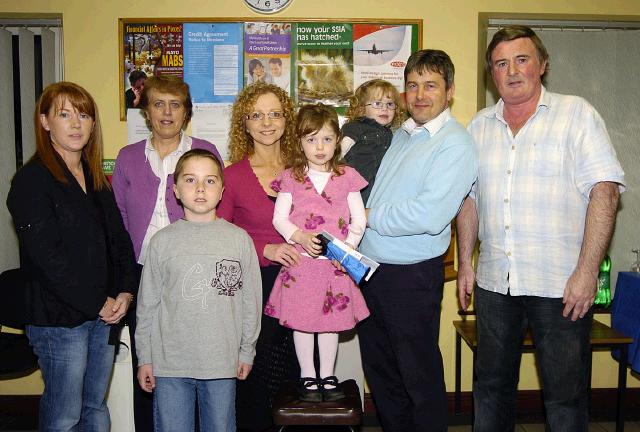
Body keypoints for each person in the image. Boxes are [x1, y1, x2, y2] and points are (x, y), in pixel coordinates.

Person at [456, 25, 625, 431]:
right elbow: (469, 199)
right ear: (491, 74)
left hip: (561, 285)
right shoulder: (478, 127)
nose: (512, 70)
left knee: (565, 396)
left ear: (542, 65)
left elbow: (606, 192)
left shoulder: (577, 114)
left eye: (522, 59)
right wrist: (465, 261)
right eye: (501, 63)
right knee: (491, 388)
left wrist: (587, 273)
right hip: (497, 284)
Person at [357, 50, 477, 432]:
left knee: (417, 376)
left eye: (431, 85)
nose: (420, 94)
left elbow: (428, 215)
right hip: (371, 270)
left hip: (409, 276)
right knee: (382, 373)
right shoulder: (400, 135)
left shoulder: (455, 144)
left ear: (450, 91)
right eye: (412, 86)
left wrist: (364, 217)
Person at [6, 81, 137, 431]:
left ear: (93, 124)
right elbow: (49, 259)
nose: (76, 124)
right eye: (65, 115)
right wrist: (98, 302)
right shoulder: (31, 181)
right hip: (58, 320)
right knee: (65, 415)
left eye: (84, 115)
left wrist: (125, 292)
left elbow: (120, 242)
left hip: (104, 315)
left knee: (94, 406)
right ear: (45, 121)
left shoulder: (96, 178)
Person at [112, 75, 222, 432]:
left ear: (186, 112)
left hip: (193, 272)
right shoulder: (128, 158)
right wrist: (124, 278)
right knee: (148, 361)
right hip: (143, 272)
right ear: (145, 111)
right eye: (158, 103)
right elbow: (119, 221)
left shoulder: (203, 151)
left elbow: (217, 210)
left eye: (175, 105)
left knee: (192, 358)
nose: (167, 112)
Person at [135, 149, 261, 432]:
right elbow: (147, 305)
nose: (201, 189)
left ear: (222, 191)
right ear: (176, 189)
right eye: (190, 180)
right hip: (170, 365)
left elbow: (250, 303)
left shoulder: (239, 241)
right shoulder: (161, 242)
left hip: (221, 362)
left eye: (210, 181)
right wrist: (145, 357)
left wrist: (246, 351)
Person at [264, 104, 370, 401]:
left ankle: (327, 374)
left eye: (326, 138)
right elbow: (279, 218)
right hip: (301, 267)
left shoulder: (348, 175)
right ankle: (308, 375)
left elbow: (359, 219)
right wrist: (297, 235)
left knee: (329, 324)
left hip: (333, 266)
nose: (319, 147)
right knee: (302, 322)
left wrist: (346, 249)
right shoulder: (290, 177)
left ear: (337, 140)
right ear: (299, 142)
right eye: (311, 139)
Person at [217, 82, 300, 431]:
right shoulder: (231, 177)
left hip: (300, 285)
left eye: (275, 114)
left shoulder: (304, 170)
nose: (267, 123)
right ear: (245, 124)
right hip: (253, 288)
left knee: (297, 374)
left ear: (286, 120)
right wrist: (264, 250)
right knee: (256, 376)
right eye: (257, 115)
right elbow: (217, 237)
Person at [341, 78, 404, 204]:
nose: (384, 109)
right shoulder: (356, 126)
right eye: (377, 104)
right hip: (354, 189)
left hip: (377, 192)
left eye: (390, 104)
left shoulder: (391, 134)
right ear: (361, 109)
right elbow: (341, 149)